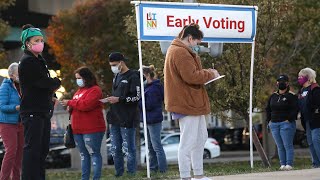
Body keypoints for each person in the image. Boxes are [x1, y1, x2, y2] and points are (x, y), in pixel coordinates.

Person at [163, 23, 219, 180]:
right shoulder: (180, 52)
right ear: (190, 38)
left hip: (190, 102)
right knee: (188, 141)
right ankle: (186, 176)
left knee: (200, 137)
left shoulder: (179, 50)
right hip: (187, 102)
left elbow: (190, 76)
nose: (198, 46)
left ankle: (198, 175)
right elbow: (192, 77)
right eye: (197, 42)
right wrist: (210, 73)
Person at [18, 24, 61, 180]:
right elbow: (43, 82)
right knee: (33, 150)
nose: (40, 43)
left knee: (42, 150)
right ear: (28, 43)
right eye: (37, 40)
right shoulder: (28, 61)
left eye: (41, 40)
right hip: (32, 111)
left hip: (42, 111)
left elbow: (46, 84)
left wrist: (53, 92)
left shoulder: (39, 60)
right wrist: (56, 82)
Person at [60, 67, 106, 180]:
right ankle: (84, 178)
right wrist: (70, 106)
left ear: (86, 77)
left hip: (92, 129)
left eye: (79, 78)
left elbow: (86, 105)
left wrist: (70, 102)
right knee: (83, 155)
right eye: (76, 78)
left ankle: (96, 178)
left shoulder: (95, 90)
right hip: (77, 130)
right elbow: (76, 105)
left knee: (94, 153)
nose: (78, 81)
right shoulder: (78, 91)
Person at [106, 52, 140, 177]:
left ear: (121, 62)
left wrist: (120, 99)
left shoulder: (133, 76)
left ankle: (131, 173)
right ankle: (118, 173)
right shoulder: (116, 76)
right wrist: (111, 99)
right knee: (115, 148)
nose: (113, 67)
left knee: (128, 148)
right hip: (114, 117)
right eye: (111, 65)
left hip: (128, 118)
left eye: (114, 65)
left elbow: (136, 97)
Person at [266, 74, 298, 170]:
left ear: (287, 83)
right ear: (277, 83)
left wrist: (289, 119)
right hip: (274, 124)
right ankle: (282, 164)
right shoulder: (273, 96)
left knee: (287, 145)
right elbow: (268, 109)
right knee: (280, 146)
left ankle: (289, 164)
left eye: (283, 82)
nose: (281, 83)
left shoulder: (291, 96)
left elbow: (295, 109)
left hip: (286, 124)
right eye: (279, 82)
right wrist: (269, 121)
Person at [139, 65, 167, 173]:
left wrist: (139, 101)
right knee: (150, 146)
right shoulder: (148, 86)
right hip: (148, 119)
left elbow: (149, 105)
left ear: (146, 75)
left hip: (153, 120)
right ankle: (153, 168)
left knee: (156, 146)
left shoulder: (154, 88)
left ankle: (162, 169)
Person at [0, 63, 23, 180]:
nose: (21, 75)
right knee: (11, 151)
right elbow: (2, 106)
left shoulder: (23, 86)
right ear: (12, 75)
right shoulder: (5, 87)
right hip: (7, 124)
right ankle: (4, 178)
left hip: (20, 123)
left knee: (19, 154)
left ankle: (16, 178)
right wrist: (16, 107)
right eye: (19, 73)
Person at [297, 68, 320, 168]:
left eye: (301, 76)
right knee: (310, 143)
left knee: (316, 140)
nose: (299, 78)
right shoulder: (301, 91)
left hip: (316, 120)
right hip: (306, 121)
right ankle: (316, 163)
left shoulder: (315, 89)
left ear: (308, 77)